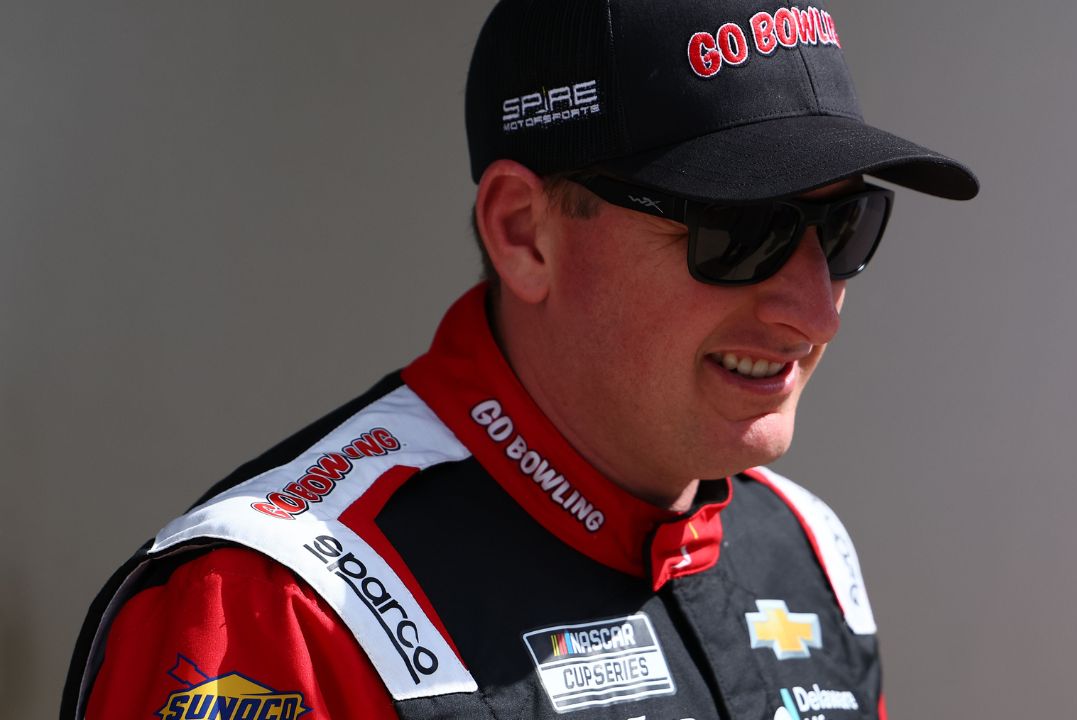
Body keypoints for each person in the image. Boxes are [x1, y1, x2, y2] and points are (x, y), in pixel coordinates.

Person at [62, 1, 977, 718]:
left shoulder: (805, 550)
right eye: (739, 230)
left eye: (844, 227)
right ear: (523, 233)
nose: (816, 310)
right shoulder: (280, 604)